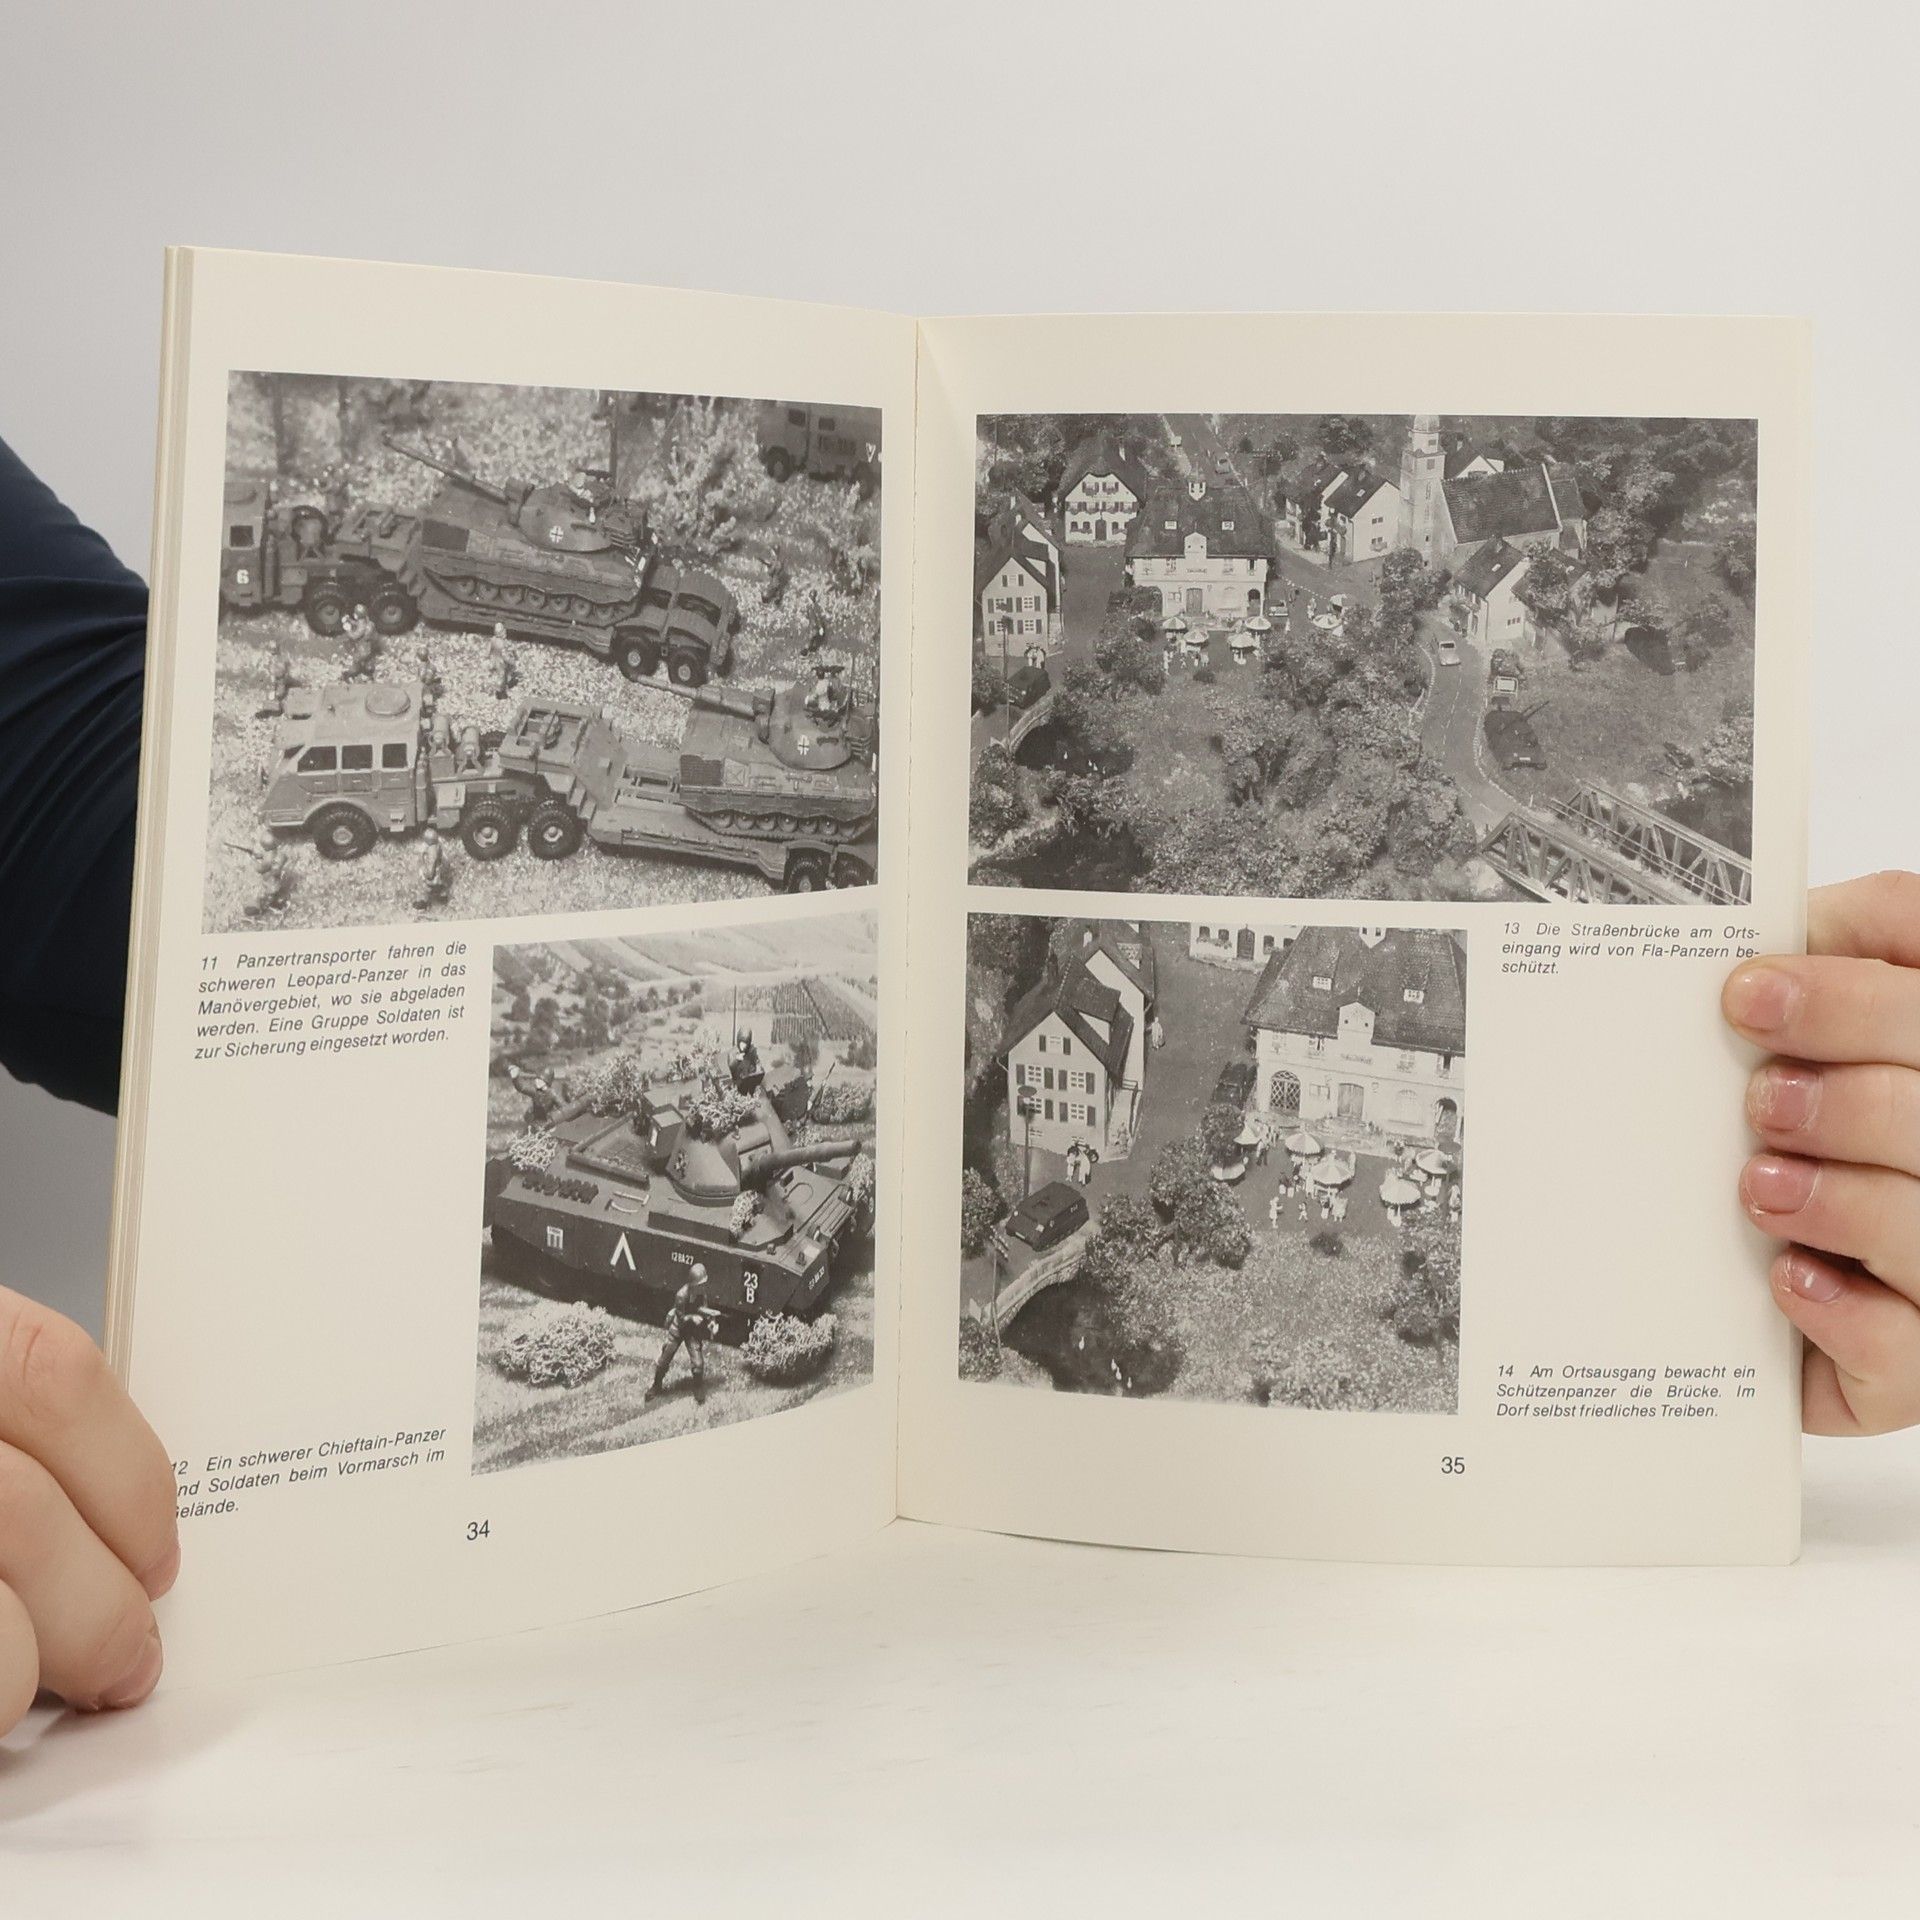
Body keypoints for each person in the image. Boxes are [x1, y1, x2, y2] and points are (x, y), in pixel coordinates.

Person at [648, 1263, 719, 1403]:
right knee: (664, 1359)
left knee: (698, 1363)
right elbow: (680, 1318)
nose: (703, 1287)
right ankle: (656, 1386)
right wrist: (692, 1318)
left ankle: (698, 1387)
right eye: (700, 1284)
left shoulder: (702, 1293)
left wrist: (711, 1322)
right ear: (693, 1284)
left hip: (692, 1331)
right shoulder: (681, 1295)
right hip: (678, 1329)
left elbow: (704, 1309)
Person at [243, 827, 293, 920]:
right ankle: (278, 901)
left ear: (265, 846)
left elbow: (260, 869)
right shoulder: (274, 852)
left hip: (270, 884)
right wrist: (256, 854)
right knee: (273, 893)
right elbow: (264, 855)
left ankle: (271, 908)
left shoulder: (267, 860)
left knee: (268, 898)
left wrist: (253, 860)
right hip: (275, 880)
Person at [413, 826, 452, 911]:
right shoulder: (437, 846)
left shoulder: (432, 852)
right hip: (439, 871)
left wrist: (427, 873)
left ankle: (423, 903)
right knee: (437, 886)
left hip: (433, 873)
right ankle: (442, 896)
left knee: (425, 887)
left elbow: (431, 867)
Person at [488, 622, 516, 699]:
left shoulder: (493, 640)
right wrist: (512, 660)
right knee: (503, 675)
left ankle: (501, 688)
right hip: (500, 661)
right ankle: (501, 689)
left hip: (495, 660)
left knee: (501, 674)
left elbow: (489, 651)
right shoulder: (502, 643)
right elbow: (505, 655)